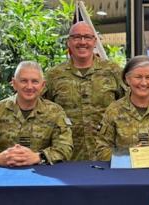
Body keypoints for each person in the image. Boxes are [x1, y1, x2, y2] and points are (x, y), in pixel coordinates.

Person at [43, 22, 126, 161]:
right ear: (69, 42)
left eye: (87, 37)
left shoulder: (113, 71)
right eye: (77, 37)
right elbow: (44, 113)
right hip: (68, 157)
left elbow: (127, 107)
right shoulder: (54, 75)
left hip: (108, 156)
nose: (82, 42)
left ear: (94, 41)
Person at [0, 61, 73, 166]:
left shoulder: (55, 112)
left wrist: (37, 157)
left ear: (43, 85)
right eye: (23, 81)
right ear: (14, 83)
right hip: (2, 175)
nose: (29, 86)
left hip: (43, 177)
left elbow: (65, 148)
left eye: (35, 81)